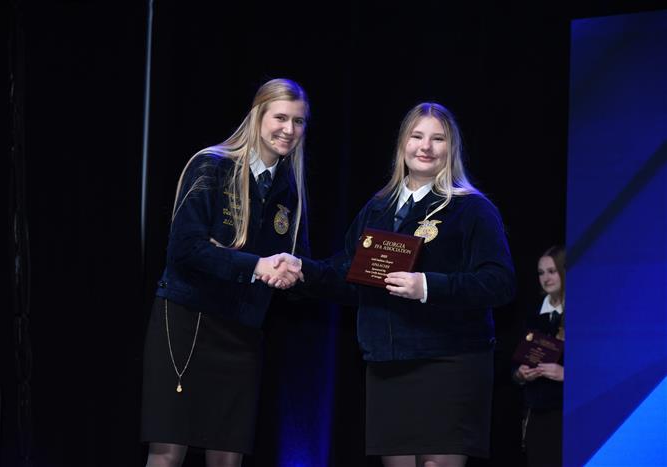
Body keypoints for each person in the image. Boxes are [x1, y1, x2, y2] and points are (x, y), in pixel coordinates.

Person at [295, 102, 516, 467]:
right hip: (388, 362)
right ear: (402, 144)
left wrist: (426, 286)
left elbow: (500, 283)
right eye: (417, 136)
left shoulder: (472, 209)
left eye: (438, 139)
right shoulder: (377, 208)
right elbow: (350, 275)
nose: (425, 147)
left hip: (449, 360)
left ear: (452, 148)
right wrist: (301, 271)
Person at [140, 78, 308, 467]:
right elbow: (185, 249)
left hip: (242, 330)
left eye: (298, 121)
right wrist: (256, 265)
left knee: (228, 456)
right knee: (167, 453)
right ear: (258, 116)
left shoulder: (289, 189)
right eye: (280, 117)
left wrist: (296, 272)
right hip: (187, 321)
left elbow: (295, 261)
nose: (289, 129)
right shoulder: (212, 165)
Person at [513, 246, 565, 467]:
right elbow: (514, 366)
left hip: (570, 412)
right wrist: (521, 374)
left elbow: (598, 367)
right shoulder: (532, 315)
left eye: (552, 271)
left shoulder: (585, 314)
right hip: (537, 413)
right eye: (541, 273)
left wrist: (566, 374)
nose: (546, 278)